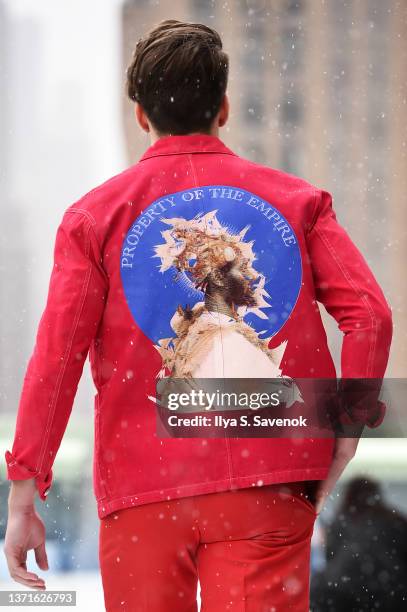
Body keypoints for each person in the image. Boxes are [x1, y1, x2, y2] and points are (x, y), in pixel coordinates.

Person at [3, 19, 392, 611]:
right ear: (225, 107)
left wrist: (26, 484)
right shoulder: (297, 203)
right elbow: (370, 315)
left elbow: (57, 360)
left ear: (141, 115)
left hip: (143, 492)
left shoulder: (94, 219)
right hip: (270, 484)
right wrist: (348, 424)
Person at [311, 476, 407, 611]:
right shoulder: (395, 520)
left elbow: (330, 556)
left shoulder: (339, 522)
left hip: (338, 591)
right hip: (389, 592)